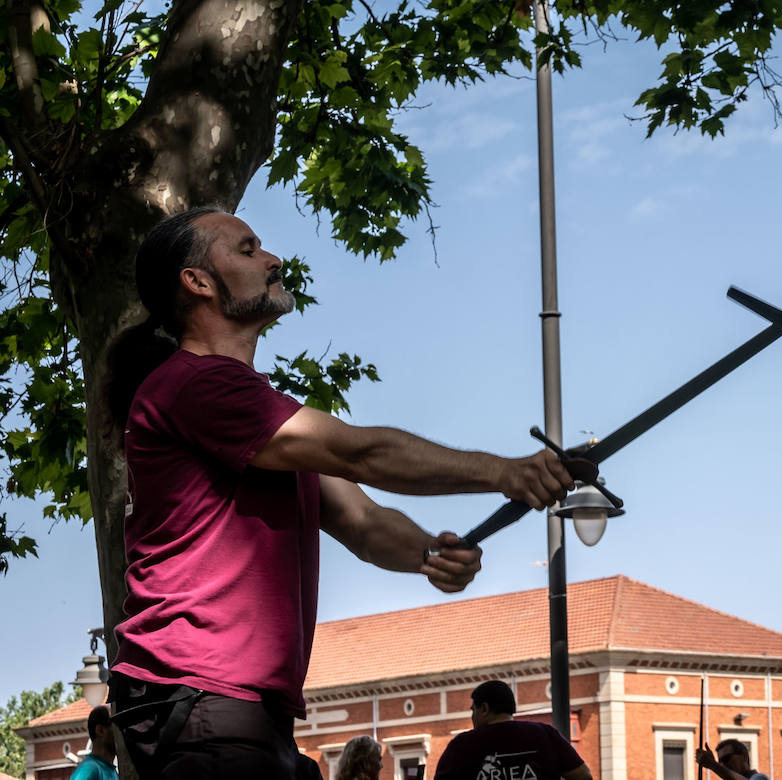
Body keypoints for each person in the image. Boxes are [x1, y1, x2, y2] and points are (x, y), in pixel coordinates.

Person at [104, 208, 577, 780]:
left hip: (241, 706)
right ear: (198, 281)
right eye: (248, 249)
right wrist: (506, 473)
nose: (274, 260)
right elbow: (362, 452)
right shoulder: (197, 384)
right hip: (202, 695)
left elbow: (361, 520)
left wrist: (429, 554)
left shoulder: (260, 418)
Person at [433, 680, 591, 780]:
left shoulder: (462, 746)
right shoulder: (545, 734)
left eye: (473, 710)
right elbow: (583, 776)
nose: (472, 716)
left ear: (484, 709)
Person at [70, 705, 118, 780]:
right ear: (100, 730)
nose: (122, 732)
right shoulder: (89, 769)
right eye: (117, 726)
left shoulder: (112, 771)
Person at [697, 738, 768, 780]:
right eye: (720, 762)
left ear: (744, 756)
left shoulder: (760, 778)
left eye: (727, 758)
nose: (723, 765)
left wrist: (713, 765)